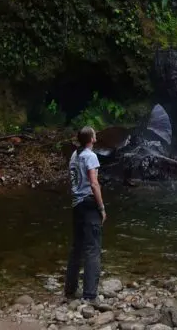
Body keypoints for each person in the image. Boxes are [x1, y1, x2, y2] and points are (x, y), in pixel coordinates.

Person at [65, 125, 106, 300]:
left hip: (76, 204)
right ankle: (89, 294)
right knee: (92, 249)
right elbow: (94, 183)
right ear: (92, 139)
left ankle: (70, 289)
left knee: (77, 248)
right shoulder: (91, 156)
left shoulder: (74, 156)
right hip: (89, 204)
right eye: (95, 135)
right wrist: (102, 208)